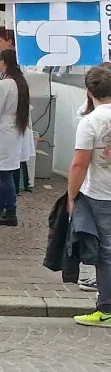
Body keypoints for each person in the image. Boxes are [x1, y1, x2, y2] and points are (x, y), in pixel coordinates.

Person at [70, 66, 111, 328]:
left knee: (107, 253)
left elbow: (79, 164)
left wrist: (71, 196)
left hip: (101, 194)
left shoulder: (91, 122)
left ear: (89, 92)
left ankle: (106, 309)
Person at [0, 49, 30, 226]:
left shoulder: (3, 86)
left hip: (4, 131)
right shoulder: (20, 83)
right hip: (15, 131)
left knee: (4, 174)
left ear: (5, 62)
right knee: (6, 171)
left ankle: (10, 211)